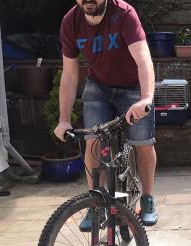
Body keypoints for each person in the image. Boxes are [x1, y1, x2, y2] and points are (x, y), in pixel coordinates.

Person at [54, 0, 158, 227]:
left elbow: (143, 60)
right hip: (99, 86)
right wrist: (63, 119)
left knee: (143, 143)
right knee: (93, 142)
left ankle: (148, 199)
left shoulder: (123, 14)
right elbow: (70, 75)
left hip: (132, 87)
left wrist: (145, 99)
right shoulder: (71, 22)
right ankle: (95, 204)